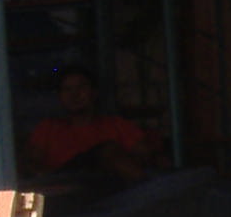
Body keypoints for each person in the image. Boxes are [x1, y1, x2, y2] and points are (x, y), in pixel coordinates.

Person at [26, 65, 158, 186]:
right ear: (59, 96)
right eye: (67, 89)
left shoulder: (116, 124)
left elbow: (145, 155)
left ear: (94, 92)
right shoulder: (48, 128)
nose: (74, 95)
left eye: (81, 87)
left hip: (111, 186)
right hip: (68, 186)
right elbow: (33, 164)